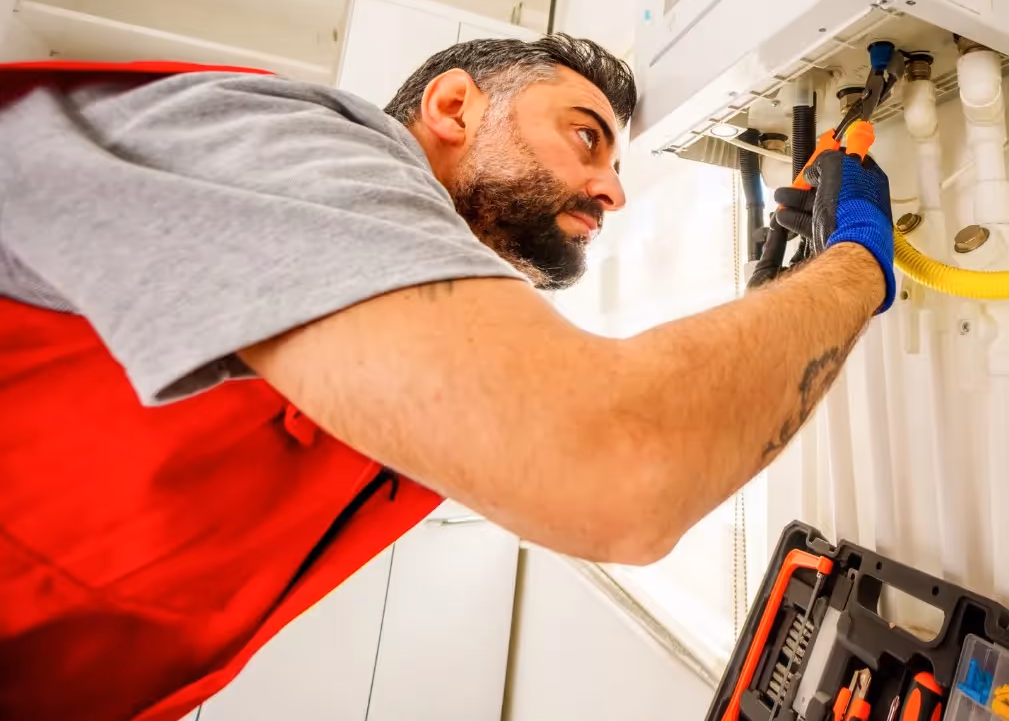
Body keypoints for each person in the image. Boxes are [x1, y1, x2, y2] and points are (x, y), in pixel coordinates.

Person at [0, 35, 895, 720]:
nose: (614, 190)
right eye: (586, 138)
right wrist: (856, 263)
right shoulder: (297, 142)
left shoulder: (421, 327)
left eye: (616, 164)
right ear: (456, 105)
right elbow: (625, 466)